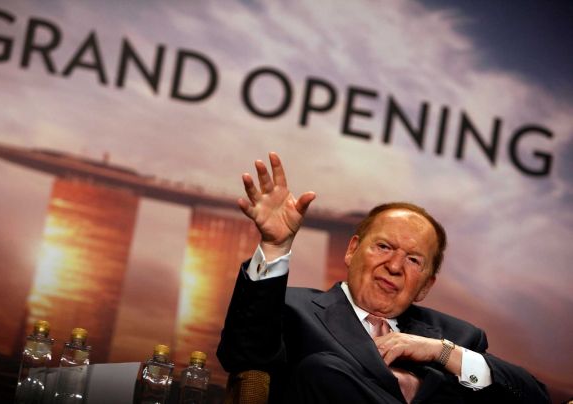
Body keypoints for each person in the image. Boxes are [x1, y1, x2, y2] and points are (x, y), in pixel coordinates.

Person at [217, 152, 550, 404]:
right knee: (321, 370)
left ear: (426, 286)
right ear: (352, 251)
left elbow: (535, 397)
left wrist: (440, 353)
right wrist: (275, 247)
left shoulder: (458, 337)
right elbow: (243, 358)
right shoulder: (294, 309)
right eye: (384, 247)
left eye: (414, 260)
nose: (394, 265)